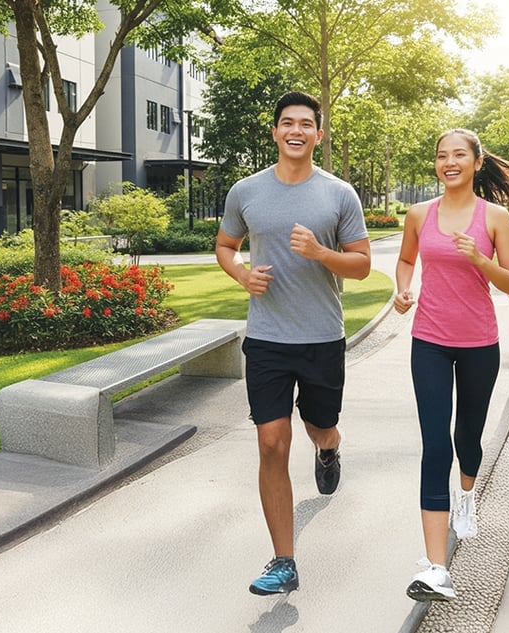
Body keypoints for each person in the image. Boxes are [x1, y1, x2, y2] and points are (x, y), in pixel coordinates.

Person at [215, 91, 372, 596]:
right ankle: (284, 561)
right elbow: (225, 245)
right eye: (287, 123)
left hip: (322, 337)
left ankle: (329, 449)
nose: (296, 130)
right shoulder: (246, 191)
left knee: (319, 425)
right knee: (270, 442)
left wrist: (321, 252)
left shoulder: (339, 193)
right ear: (275, 132)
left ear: (318, 134)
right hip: (266, 338)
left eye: (306, 123)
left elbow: (363, 265)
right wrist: (241, 275)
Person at [393, 128, 509, 601]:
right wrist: (402, 289)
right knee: (434, 444)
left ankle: (466, 495)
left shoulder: (495, 217)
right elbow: (406, 260)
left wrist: (479, 261)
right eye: (441, 156)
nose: (449, 162)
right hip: (428, 339)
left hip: (478, 343)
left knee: (465, 439)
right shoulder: (419, 214)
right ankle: (435, 567)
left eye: (458, 155)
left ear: (475, 161)